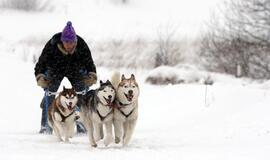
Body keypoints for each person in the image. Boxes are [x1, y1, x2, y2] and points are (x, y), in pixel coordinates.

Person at [34, 21, 97, 134]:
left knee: (82, 94)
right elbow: (41, 62)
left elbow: (89, 63)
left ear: (75, 41)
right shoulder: (52, 44)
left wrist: (91, 75)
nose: (69, 45)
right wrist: (40, 76)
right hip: (55, 69)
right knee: (50, 93)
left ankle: (82, 125)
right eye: (66, 42)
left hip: (75, 69)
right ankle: (46, 126)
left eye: (71, 42)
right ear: (62, 41)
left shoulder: (81, 44)